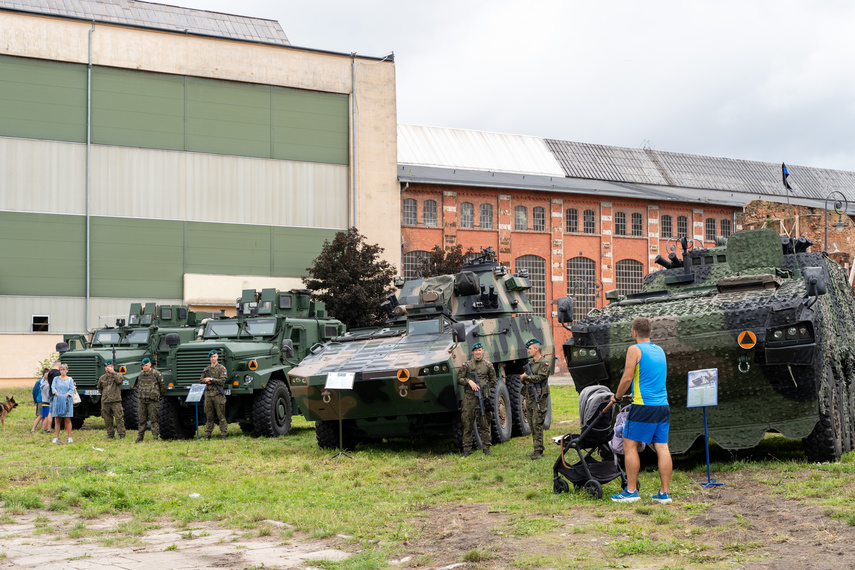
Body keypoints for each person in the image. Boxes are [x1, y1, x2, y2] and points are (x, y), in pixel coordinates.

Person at [609, 317, 672, 504]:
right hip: (663, 406)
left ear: (634, 332)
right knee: (662, 447)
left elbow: (627, 377)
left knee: (629, 445)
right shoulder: (659, 350)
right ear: (650, 332)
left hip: (644, 406)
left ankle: (631, 491)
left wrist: (617, 396)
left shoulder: (634, 349)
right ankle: (664, 493)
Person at [457, 342, 497, 457]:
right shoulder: (467, 365)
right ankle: (467, 449)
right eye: (476, 350)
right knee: (467, 422)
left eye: (480, 350)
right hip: (470, 396)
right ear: (473, 352)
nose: (478, 352)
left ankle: (486, 448)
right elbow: (460, 379)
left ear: (483, 351)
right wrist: (469, 381)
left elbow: (494, 380)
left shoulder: (488, 365)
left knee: (484, 421)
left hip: (483, 397)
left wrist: (486, 386)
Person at [520, 338, 550, 459]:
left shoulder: (544, 363)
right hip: (530, 396)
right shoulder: (530, 364)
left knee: (537, 423)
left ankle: (539, 450)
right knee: (531, 424)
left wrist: (527, 377)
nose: (528, 351)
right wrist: (524, 379)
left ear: (536, 349)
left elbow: (541, 377)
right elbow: (526, 381)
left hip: (540, 397)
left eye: (530, 348)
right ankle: (536, 448)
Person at [200, 350, 228, 440]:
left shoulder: (221, 368)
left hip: (218, 395)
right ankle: (207, 434)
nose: (213, 358)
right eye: (211, 357)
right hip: (208, 395)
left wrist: (211, 379)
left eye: (214, 356)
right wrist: (205, 380)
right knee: (209, 416)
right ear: (209, 358)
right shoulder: (206, 369)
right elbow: (201, 380)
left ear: (217, 357)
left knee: (221, 416)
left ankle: (223, 434)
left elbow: (222, 381)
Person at [135, 357, 164, 442]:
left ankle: (155, 437)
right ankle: (140, 437)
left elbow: (162, 386)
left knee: (154, 419)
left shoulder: (156, 374)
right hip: (142, 400)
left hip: (153, 401)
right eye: (143, 366)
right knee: (141, 419)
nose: (144, 367)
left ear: (150, 364)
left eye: (146, 365)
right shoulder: (140, 374)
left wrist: (157, 395)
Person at [97, 360, 126, 439]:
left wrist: (113, 372)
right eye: (106, 367)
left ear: (112, 367)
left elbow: (119, 381)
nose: (107, 368)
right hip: (105, 401)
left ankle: (122, 434)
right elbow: (99, 388)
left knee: (119, 418)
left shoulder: (117, 375)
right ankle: (110, 434)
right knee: (107, 419)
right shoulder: (102, 378)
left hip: (115, 401)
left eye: (109, 367)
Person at [50, 363, 75, 444]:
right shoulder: (56, 379)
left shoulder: (70, 379)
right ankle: (56, 437)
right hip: (57, 400)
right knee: (57, 419)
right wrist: (58, 395)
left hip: (67, 400)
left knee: (68, 419)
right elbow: (53, 388)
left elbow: (71, 389)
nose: (62, 371)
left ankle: (70, 437)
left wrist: (65, 396)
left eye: (64, 370)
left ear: (67, 370)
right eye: (61, 369)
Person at [30, 368, 48, 433]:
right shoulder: (39, 382)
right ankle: (33, 429)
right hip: (40, 400)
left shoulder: (47, 381)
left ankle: (42, 429)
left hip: (45, 401)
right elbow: (34, 391)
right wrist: (35, 401)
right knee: (40, 415)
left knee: (44, 416)